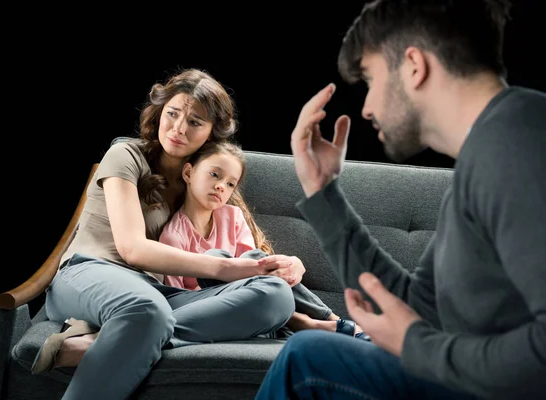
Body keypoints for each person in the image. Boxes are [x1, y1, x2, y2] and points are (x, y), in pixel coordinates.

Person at [255, 0, 546, 399]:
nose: (368, 108)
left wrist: (419, 347)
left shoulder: (519, 144)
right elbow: (413, 309)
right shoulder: (487, 155)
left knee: (307, 358)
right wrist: (322, 193)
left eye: (371, 79)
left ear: (414, 66)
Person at [31, 68, 305, 400]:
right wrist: (226, 269)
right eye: (173, 114)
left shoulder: (204, 179)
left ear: (211, 134)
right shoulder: (126, 156)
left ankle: (108, 341)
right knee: (146, 311)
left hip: (153, 292)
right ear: (160, 112)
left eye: (195, 122)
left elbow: (242, 244)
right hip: (88, 273)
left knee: (274, 296)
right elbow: (131, 249)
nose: (178, 128)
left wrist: (284, 266)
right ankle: (133, 331)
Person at [159, 140, 369, 338]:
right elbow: (180, 301)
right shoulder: (173, 237)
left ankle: (328, 318)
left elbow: (256, 269)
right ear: (188, 172)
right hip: (222, 308)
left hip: (257, 296)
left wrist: (289, 264)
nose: (221, 186)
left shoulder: (232, 216)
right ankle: (303, 323)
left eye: (230, 184)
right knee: (215, 257)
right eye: (214, 174)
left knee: (256, 258)